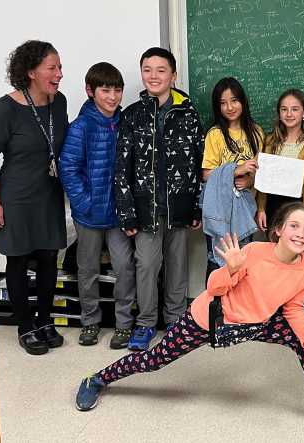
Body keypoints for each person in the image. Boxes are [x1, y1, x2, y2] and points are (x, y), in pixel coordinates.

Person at [75, 202, 304, 436]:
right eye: (294, 226)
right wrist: (230, 268)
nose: (301, 233)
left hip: (258, 322)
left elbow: (292, 309)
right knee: (155, 360)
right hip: (213, 320)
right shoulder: (252, 252)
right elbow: (214, 289)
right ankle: (97, 379)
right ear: (277, 230)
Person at [114, 47, 203, 351]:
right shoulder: (133, 115)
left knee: (177, 264)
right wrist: (126, 212)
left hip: (178, 206)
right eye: (147, 70)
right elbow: (121, 166)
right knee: (147, 265)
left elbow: (197, 161)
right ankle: (146, 322)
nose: (154, 76)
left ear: (173, 75)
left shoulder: (188, 113)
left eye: (161, 70)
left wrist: (196, 205)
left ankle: (177, 320)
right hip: (144, 208)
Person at [0, 40, 67, 355]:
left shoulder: (58, 102)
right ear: (32, 71)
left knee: (49, 257)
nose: (60, 74)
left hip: (48, 193)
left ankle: (45, 320)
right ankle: (25, 326)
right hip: (16, 196)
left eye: (60, 67)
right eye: (53, 68)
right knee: (19, 260)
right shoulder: (5, 108)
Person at [59, 62, 136, 349]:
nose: (113, 96)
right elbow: (68, 167)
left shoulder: (125, 122)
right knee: (87, 269)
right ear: (91, 91)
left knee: (125, 267)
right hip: (88, 214)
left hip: (118, 214)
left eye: (117, 90)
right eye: (106, 90)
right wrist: (84, 201)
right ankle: (90, 322)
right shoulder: (81, 126)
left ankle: (124, 324)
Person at [201, 77, 263, 279]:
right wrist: (235, 170)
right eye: (223, 102)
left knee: (244, 261)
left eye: (234, 100)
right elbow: (207, 174)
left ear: (243, 101)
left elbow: (262, 173)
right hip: (219, 209)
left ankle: (238, 309)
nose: (229, 107)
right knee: (218, 261)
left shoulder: (256, 132)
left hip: (245, 209)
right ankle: (214, 309)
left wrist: (249, 181)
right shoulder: (215, 134)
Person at [256, 89, 304, 231]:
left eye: (295, 109)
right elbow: (262, 181)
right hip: (272, 206)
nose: (289, 114)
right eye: (284, 109)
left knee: (295, 250)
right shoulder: (270, 140)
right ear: (279, 113)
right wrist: (261, 209)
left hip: (297, 206)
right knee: (274, 249)